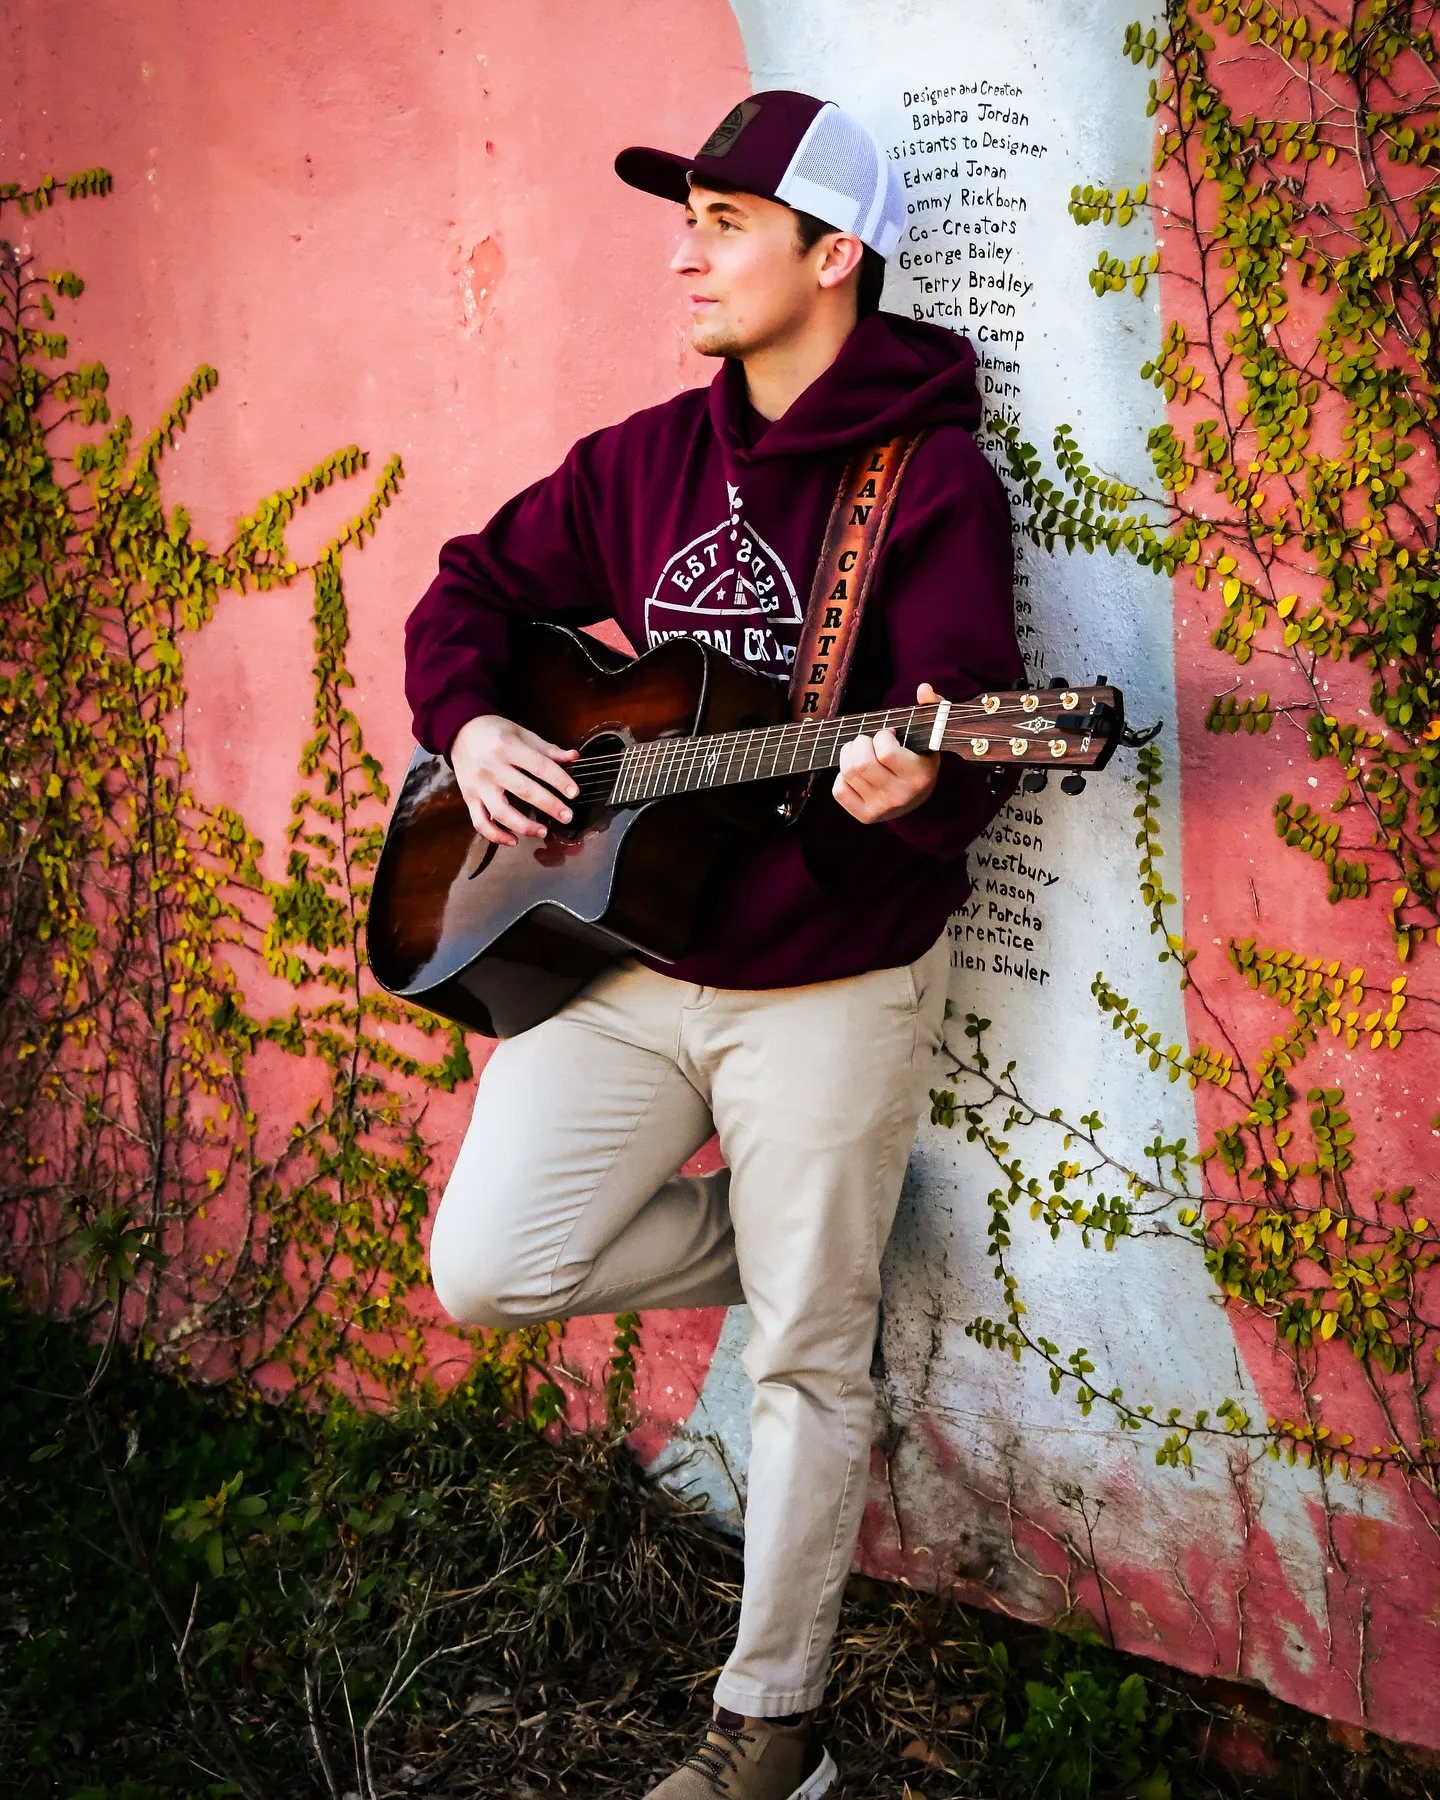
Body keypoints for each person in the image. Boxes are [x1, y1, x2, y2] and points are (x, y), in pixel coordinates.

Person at [404, 88, 1022, 1800]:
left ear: (834, 257)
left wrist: (888, 802)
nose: (684, 252)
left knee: (806, 1367)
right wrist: (470, 734)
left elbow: (965, 755)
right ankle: (795, 1239)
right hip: (626, 964)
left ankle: (771, 1739)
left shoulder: (933, 480)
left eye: (726, 224)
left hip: (829, 976)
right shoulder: (641, 463)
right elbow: (466, 587)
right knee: (488, 1269)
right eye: (684, 217)